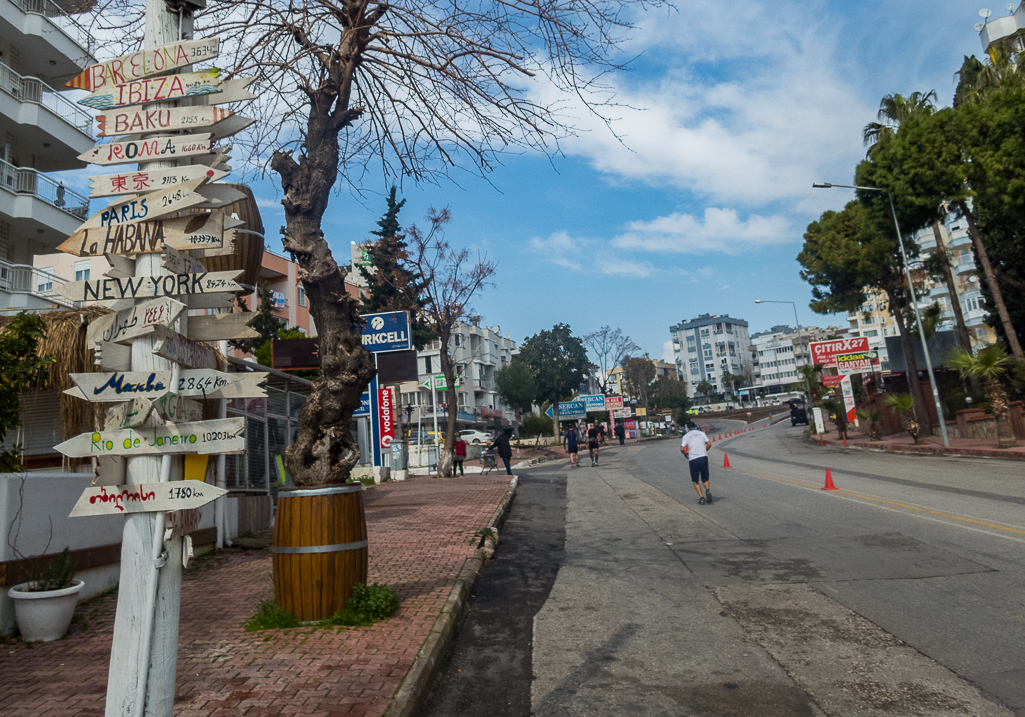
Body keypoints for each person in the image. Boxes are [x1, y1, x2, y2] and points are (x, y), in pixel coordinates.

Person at [680, 421, 713, 504]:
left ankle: (701, 498)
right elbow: (709, 444)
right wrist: (705, 451)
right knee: (705, 478)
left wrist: (686, 455)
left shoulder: (686, 436)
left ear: (687, 428)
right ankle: (708, 490)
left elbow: (682, 449)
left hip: (693, 459)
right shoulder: (702, 433)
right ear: (695, 427)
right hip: (703, 457)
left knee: (695, 480)